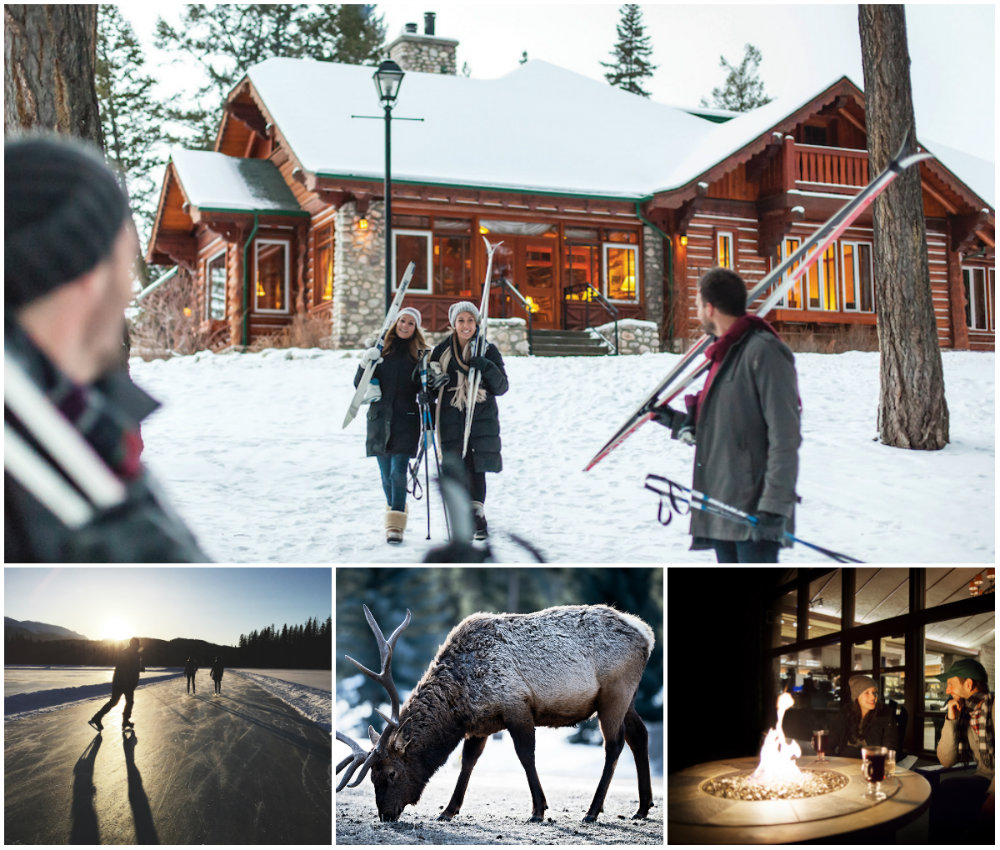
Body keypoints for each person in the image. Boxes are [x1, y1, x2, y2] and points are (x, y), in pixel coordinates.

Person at [4, 134, 208, 563]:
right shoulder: (49, 474)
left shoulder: (75, 420)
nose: (131, 291)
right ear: (90, 278)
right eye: (125, 260)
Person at [652, 267, 801, 563]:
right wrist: (672, 420)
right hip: (722, 506)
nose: (697, 314)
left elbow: (785, 437)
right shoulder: (723, 356)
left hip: (755, 514)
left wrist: (773, 507)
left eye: (697, 306)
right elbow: (727, 429)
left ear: (710, 308)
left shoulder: (764, 352)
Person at [429, 301, 508, 540]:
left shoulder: (487, 350)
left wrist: (486, 366)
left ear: (477, 323)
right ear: (453, 323)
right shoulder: (440, 351)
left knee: (476, 469)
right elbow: (432, 387)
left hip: (480, 419)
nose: (466, 325)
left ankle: (477, 519)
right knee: (455, 470)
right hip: (450, 419)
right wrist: (430, 387)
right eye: (461, 320)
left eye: (470, 320)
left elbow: (502, 386)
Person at [354, 307, 426, 543]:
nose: (405, 326)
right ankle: (397, 507)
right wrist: (365, 364)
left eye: (411, 323)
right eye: (402, 321)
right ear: (395, 323)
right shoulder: (380, 350)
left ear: (416, 329)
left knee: (398, 472)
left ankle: (394, 526)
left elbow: (428, 388)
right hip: (379, 420)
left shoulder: (420, 355)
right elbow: (359, 385)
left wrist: (428, 392)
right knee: (386, 476)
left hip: (406, 419)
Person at [933, 658, 994, 840]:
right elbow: (947, 760)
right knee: (947, 790)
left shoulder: (994, 708)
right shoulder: (967, 712)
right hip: (985, 777)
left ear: (968, 684)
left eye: (951, 684)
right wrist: (951, 720)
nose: (947, 690)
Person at [830, 674, 898, 759]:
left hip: (872, 763)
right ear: (856, 696)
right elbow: (830, 743)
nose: (873, 697)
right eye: (867, 693)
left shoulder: (884, 714)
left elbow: (890, 747)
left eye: (874, 692)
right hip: (845, 763)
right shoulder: (846, 713)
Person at [89, 637, 144, 731]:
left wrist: (139, 669)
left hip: (124, 682)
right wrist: (133, 674)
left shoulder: (132, 654)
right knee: (121, 702)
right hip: (124, 682)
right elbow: (125, 667)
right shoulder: (130, 654)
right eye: (136, 645)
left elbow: (131, 667)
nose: (137, 646)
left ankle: (100, 718)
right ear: (133, 645)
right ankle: (100, 718)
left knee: (118, 701)